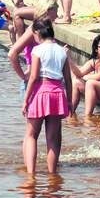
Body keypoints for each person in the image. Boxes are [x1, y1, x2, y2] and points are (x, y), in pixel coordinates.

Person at [21, 18, 72, 174]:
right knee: (53, 140)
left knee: (31, 135)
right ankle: (52, 175)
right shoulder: (62, 51)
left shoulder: (38, 50)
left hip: (41, 91)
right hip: (57, 94)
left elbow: (34, 76)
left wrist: (25, 100)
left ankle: (31, 175)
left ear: (37, 32)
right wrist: (69, 101)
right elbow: (68, 79)